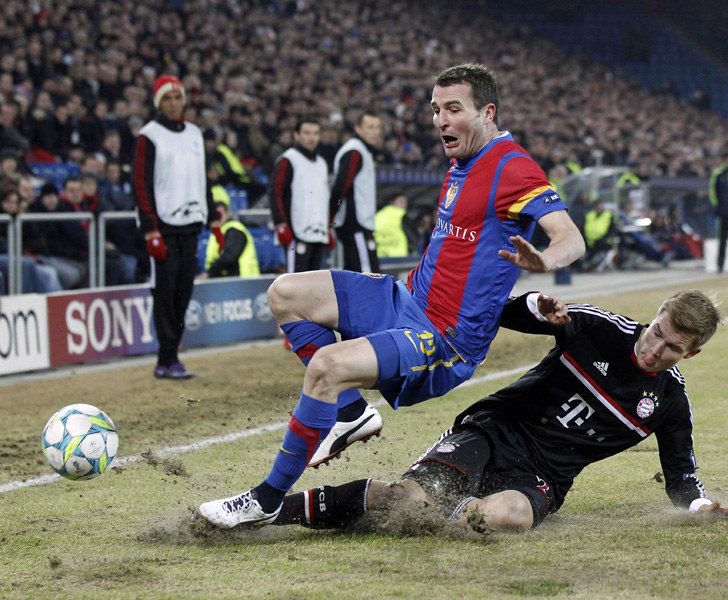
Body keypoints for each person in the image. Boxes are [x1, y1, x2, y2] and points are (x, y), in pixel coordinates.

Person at [195, 63, 585, 529]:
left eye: (454, 109)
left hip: (443, 337)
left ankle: (267, 499)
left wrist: (545, 261)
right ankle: (352, 414)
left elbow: (570, 237)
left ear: (488, 113)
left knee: (327, 367)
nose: (441, 120)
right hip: (406, 299)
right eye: (436, 109)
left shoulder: (512, 166)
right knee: (285, 292)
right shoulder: (463, 163)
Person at [257, 290, 728, 532]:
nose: (654, 349)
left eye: (670, 347)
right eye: (655, 332)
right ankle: (278, 510)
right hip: (493, 431)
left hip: (542, 477)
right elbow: (508, 316)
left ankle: (424, 514)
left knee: (512, 517)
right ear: (653, 317)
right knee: (409, 499)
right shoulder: (597, 327)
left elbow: (681, 478)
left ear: (690, 353)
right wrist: (536, 305)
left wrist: (702, 507)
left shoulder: (670, 403)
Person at [133, 75, 220, 380]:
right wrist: (149, 228)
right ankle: (166, 358)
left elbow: (202, 177)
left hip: (191, 224)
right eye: (167, 98)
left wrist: (210, 210)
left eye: (177, 97)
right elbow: (141, 184)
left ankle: (172, 354)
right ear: (158, 102)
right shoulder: (149, 136)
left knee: (184, 290)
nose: (173, 103)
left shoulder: (195, 134)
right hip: (163, 226)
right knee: (165, 292)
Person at [270, 118, 335, 274]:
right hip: (296, 232)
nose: (311, 137)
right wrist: (280, 223)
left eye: (315, 133)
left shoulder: (322, 163)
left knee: (313, 282)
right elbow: (276, 191)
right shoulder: (288, 159)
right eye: (306, 133)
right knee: (296, 282)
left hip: (318, 233)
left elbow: (323, 198)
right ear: (296, 135)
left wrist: (327, 228)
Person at [331, 110, 383, 273]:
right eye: (370, 127)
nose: (375, 132)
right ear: (358, 129)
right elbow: (341, 187)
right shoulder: (354, 152)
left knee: (356, 271)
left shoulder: (362, 151)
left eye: (377, 127)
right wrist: (331, 215)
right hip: (355, 223)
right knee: (368, 273)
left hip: (359, 223)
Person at [199, 200, 259, 279]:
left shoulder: (234, 229)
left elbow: (229, 256)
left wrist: (210, 273)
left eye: (219, 214)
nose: (217, 218)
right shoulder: (216, 233)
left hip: (243, 280)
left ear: (228, 214)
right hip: (228, 280)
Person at [374, 194, 411, 258]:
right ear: (392, 202)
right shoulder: (402, 215)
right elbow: (413, 237)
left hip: (380, 255)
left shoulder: (377, 216)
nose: (404, 205)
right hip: (399, 257)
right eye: (401, 202)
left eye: (405, 202)